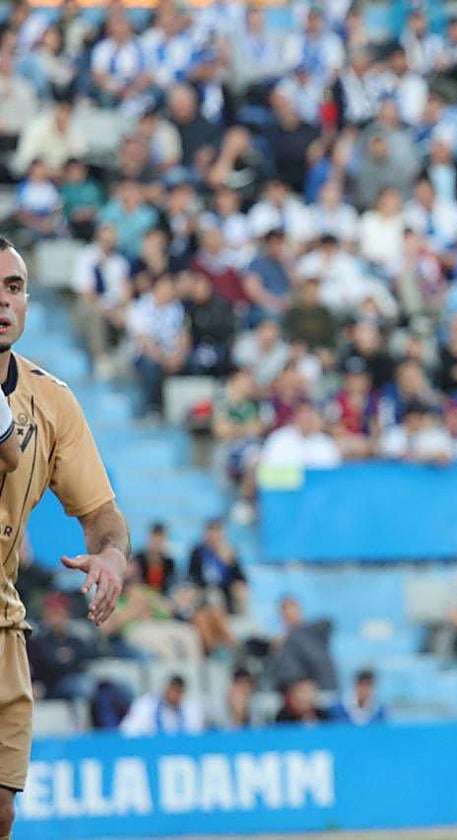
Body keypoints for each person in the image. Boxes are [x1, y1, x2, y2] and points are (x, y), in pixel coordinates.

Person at [0, 236, 129, 839]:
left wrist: (110, 555)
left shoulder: (51, 400)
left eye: (15, 287)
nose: (5, 301)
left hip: (2, 621)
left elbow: (102, 512)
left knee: (0, 810)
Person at [119, 674, 204, 737]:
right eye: (173, 690)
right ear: (166, 688)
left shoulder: (190, 709)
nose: (175, 695)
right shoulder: (145, 705)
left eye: (179, 692)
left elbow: (196, 735)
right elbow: (127, 731)